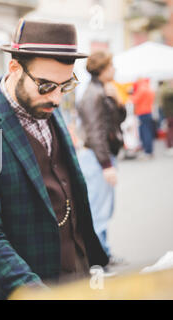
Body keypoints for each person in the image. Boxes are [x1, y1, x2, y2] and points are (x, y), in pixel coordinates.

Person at [0, 19, 109, 299]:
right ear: (14, 68)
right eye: (46, 85)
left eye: (66, 85)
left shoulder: (47, 104)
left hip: (83, 274)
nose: (57, 98)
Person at [77, 50, 127, 263]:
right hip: (97, 158)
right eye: (111, 65)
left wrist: (117, 101)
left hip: (101, 156)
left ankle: (103, 253)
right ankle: (97, 260)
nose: (114, 69)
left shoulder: (103, 90)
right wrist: (106, 165)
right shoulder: (92, 94)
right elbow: (96, 132)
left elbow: (117, 120)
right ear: (103, 69)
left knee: (104, 208)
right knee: (98, 210)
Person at [132, 78, 155, 158]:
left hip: (142, 112)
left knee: (145, 132)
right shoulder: (148, 88)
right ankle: (149, 150)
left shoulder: (141, 89)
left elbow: (134, 100)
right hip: (148, 111)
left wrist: (132, 94)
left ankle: (147, 151)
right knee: (148, 131)